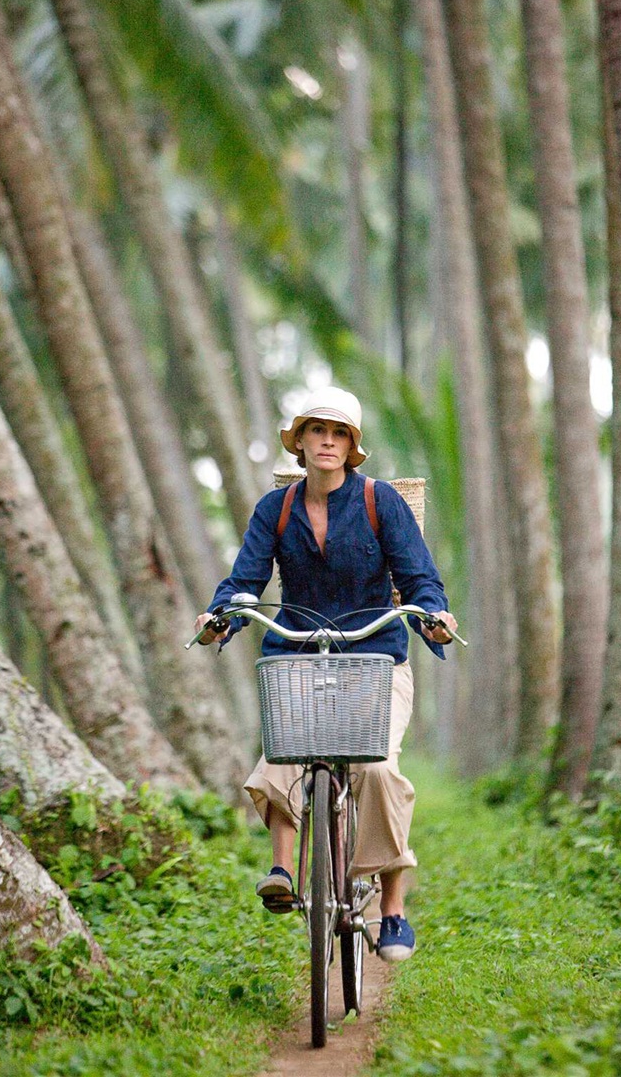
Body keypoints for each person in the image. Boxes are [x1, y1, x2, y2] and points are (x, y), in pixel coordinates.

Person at [194, 386, 457, 962]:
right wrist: (222, 617)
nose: (328, 442)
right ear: (300, 441)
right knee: (281, 755)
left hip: (374, 659)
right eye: (318, 431)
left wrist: (434, 617)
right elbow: (246, 579)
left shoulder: (379, 502)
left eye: (339, 433)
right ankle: (283, 871)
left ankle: (391, 907)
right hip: (300, 657)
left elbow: (418, 580)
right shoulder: (276, 509)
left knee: (378, 771)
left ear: (352, 446)